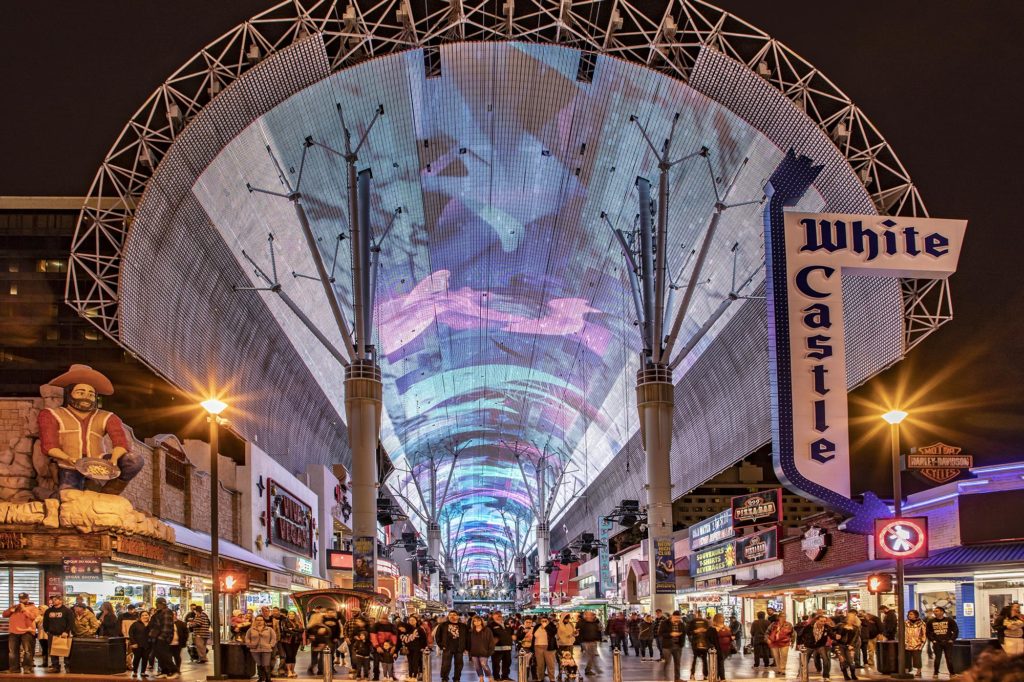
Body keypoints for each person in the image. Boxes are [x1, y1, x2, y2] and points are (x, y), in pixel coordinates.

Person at [37, 364, 144, 493]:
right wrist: (68, 458)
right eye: (80, 392)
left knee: (134, 460)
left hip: (98, 462)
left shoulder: (108, 417)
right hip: (69, 464)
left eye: (91, 394)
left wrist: (114, 460)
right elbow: (49, 446)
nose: (86, 397)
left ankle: (110, 492)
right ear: (70, 393)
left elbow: (120, 442)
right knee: (69, 496)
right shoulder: (51, 414)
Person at [4, 592, 40, 674]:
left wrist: (24, 609)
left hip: (27, 632)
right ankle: (14, 669)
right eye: (20, 598)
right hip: (13, 632)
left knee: (27, 651)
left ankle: (27, 668)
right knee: (13, 652)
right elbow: (4, 615)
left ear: (28, 599)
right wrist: (10, 610)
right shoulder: (15, 607)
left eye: (23, 598)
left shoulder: (33, 607)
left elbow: (33, 617)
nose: (21, 600)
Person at [147, 597, 179, 679]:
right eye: (159, 604)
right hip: (156, 636)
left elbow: (166, 626)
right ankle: (165, 671)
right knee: (159, 655)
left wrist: (161, 637)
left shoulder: (166, 612)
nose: (159, 605)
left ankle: (174, 670)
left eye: (161, 604)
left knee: (164, 655)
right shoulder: (159, 612)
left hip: (161, 637)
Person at [43, 595, 75, 673]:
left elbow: (71, 623)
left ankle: (67, 666)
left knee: (65, 651)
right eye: (52, 600)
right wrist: (47, 631)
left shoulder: (67, 611)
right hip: (52, 634)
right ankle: (55, 667)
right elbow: (45, 622)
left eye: (55, 599)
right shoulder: (48, 611)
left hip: (63, 634)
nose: (53, 601)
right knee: (53, 651)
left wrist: (66, 632)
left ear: (61, 601)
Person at [926, 606, 959, 678]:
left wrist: (952, 639)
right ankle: (935, 673)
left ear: (942, 612)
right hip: (937, 643)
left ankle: (952, 673)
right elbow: (928, 632)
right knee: (937, 658)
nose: (935, 612)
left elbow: (956, 630)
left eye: (937, 611)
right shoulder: (931, 621)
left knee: (949, 658)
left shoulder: (949, 620)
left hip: (947, 642)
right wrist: (933, 640)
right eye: (934, 611)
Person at [437, 610, 470, 682]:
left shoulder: (463, 626)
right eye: (450, 615)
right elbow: (438, 636)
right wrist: (441, 646)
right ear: (448, 616)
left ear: (458, 616)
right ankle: (444, 678)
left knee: (459, 665)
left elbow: (467, 637)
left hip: (459, 648)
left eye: (454, 615)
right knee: (446, 664)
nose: (452, 616)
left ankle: (457, 678)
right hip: (447, 648)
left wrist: (466, 648)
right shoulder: (443, 625)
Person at [245, 615, 279, 682]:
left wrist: (270, 645)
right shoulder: (251, 629)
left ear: (264, 621)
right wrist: (250, 644)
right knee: (259, 664)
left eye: (261, 620)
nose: (259, 621)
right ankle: (260, 678)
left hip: (266, 649)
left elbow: (274, 638)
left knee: (266, 664)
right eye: (257, 620)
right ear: (255, 621)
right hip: (254, 650)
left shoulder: (269, 629)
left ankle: (268, 679)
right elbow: (247, 638)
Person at [799, 614, 833, 681]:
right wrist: (800, 643)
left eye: (824, 621)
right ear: (817, 620)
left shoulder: (826, 627)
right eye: (821, 621)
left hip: (820, 645)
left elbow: (831, 634)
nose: (823, 623)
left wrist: (836, 637)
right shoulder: (809, 627)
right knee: (805, 661)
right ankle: (802, 674)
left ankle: (826, 676)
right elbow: (800, 634)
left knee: (826, 660)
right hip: (809, 645)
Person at [832, 613, 860, 681]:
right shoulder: (840, 625)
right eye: (851, 618)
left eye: (853, 618)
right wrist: (835, 635)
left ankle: (853, 674)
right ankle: (845, 675)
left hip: (849, 646)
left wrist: (852, 645)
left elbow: (856, 638)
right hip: (839, 645)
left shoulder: (856, 628)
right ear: (847, 618)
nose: (852, 620)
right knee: (842, 661)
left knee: (851, 662)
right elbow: (831, 631)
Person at [659, 611, 686, 682]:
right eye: (676, 617)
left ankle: (677, 679)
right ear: (672, 616)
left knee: (677, 663)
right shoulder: (665, 623)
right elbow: (660, 633)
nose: (678, 619)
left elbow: (684, 633)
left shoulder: (681, 624)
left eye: (679, 618)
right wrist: (671, 634)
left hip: (678, 646)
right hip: (667, 646)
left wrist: (682, 644)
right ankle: (665, 678)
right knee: (667, 662)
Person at [488, 612, 515, 682]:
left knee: (507, 662)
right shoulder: (491, 625)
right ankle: (496, 677)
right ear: (493, 616)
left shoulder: (506, 624)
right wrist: (493, 640)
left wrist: (513, 635)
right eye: (496, 615)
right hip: (497, 648)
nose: (499, 616)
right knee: (496, 664)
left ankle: (505, 677)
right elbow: (488, 635)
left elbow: (512, 632)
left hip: (507, 647)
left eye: (500, 615)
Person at [468, 615, 496, 682]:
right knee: (477, 666)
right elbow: (468, 641)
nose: (476, 622)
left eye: (478, 620)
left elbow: (491, 641)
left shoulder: (487, 630)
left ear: (481, 621)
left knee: (484, 665)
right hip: (474, 651)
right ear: (473, 622)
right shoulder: (471, 631)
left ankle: (490, 677)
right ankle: (481, 678)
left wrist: (490, 651)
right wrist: (468, 650)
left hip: (484, 651)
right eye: (475, 621)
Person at [576, 611, 603, 676]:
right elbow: (577, 629)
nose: (591, 616)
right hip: (585, 642)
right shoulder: (581, 622)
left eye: (592, 615)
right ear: (585, 616)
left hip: (593, 641)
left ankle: (588, 670)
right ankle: (594, 669)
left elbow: (598, 630)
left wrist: (598, 638)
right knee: (591, 656)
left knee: (592, 656)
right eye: (589, 615)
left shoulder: (594, 622)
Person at [373, 614, 399, 681]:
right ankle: (376, 676)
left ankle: (391, 676)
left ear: (388, 619)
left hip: (388, 647)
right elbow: (373, 636)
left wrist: (393, 646)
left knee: (390, 662)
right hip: (378, 647)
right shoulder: (376, 625)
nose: (384, 620)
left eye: (385, 618)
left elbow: (394, 636)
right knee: (376, 662)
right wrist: (377, 646)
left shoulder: (392, 626)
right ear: (380, 618)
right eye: (382, 618)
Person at [688, 611, 712, 681]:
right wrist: (695, 631)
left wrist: (704, 631)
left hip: (702, 642)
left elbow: (688, 632)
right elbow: (689, 632)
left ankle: (703, 675)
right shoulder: (695, 622)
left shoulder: (704, 622)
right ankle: (695, 674)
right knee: (699, 659)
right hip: (697, 642)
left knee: (702, 659)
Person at [278, 610, 302, 678]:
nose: (292, 615)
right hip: (287, 640)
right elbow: (285, 630)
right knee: (289, 655)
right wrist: (296, 631)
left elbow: (302, 630)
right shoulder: (284, 621)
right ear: (288, 615)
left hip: (296, 641)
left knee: (293, 655)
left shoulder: (298, 622)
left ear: (295, 615)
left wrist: (292, 629)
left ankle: (293, 670)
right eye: (290, 614)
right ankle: (289, 671)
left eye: (293, 614)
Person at [533, 615, 558, 682]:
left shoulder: (552, 626)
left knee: (550, 664)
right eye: (542, 621)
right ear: (540, 621)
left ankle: (552, 679)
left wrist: (546, 626)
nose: (543, 622)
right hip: (538, 647)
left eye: (545, 621)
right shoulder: (537, 627)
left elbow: (552, 633)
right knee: (540, 664)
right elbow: (533, 636)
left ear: (548, 621)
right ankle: (540, 678)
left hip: (549, 647)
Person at [129, 611, 153, 678]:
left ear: (149, 616)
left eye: (146, 615)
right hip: (137, 645)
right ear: (140, 616)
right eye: (143, 615)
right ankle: (135, 671)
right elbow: (131, 634)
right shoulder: (135, 624)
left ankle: (143, 672)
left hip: (148, 645)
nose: (145, 616)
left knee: (145, 658)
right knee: (137, 658)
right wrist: (133, 643)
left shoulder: (151, 624)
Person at [904, 610, 927, 678]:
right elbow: (901, 632)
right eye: (909, 614)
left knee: (917, 659)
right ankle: (906, 672)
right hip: (906, 644)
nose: (909, 615)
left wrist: (922, 644)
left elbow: (924, 635)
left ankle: (918, 672)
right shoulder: (905, 623)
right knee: (906, 659)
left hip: (917, 644)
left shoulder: (921, 623)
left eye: (911, 614)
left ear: (916, 615)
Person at [712, 614, 734, 682]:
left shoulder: (716, 628)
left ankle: (721, 678)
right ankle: (721, 678)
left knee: (720, 663)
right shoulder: (726, 628)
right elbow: (731, 636)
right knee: (720, 663)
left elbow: (730, 636)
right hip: (724, 648)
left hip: (722, 648)